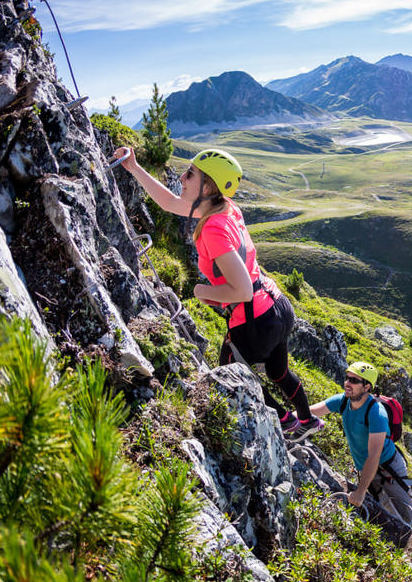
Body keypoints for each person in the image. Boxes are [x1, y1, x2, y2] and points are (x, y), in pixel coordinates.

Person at [115, 147, 323, 440]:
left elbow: (241, 290)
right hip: (277, 306)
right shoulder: (224, 207)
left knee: (232, 370)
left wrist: (202, 291)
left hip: (255, 318)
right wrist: (134, 168)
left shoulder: (213, 228)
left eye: (191, 174)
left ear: (209, 186)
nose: (183, 178)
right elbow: (170, 202)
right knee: (279, 372)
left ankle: (286, 422)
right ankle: (307, 420)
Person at [309, 361, 412, 547]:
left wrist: (361, 491)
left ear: (367, 386)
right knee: (387, 508)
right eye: (347, 378)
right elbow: (311, 412)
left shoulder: (376, 413)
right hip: (369, 468)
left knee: (407, 510)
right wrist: (286, 417)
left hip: (388, 467)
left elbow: (374, 455)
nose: (347, 383)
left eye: (354, 380)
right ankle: (411, 544)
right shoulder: (343, 401)